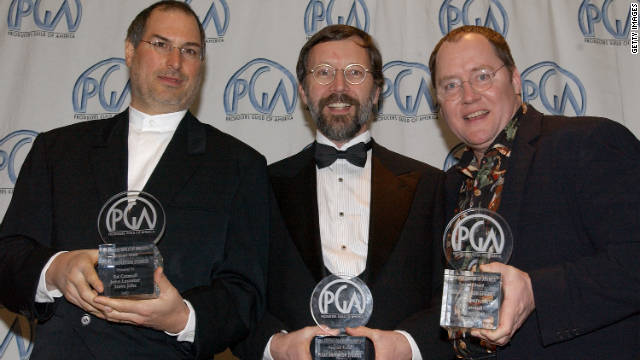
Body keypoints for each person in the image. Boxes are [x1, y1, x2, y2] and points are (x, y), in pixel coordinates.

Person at [0, 1, 269, 359]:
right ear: (130, 50)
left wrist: (181, 316)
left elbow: (245, 291)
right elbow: (7, 256)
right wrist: (55, 270)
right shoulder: (58, 149)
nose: (175, 61)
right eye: (160, 44)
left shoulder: (239, 165)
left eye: (189, 51)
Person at [233, 24, 452, 360]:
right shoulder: (260, 185)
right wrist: (275, 347)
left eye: (354, 72)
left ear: (377, 90)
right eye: (323, 73)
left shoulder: (432, 186)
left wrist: (407, 346)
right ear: (303, 91)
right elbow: (238, 293)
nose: (339, 86)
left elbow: (453, 295)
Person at [429, 25, 640, 359]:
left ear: (514, 80)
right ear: (439, 102)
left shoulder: (589, 143)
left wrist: (535, 291)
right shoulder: (451, 185)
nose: (468, 95)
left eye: (482, 76)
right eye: (450, 85)